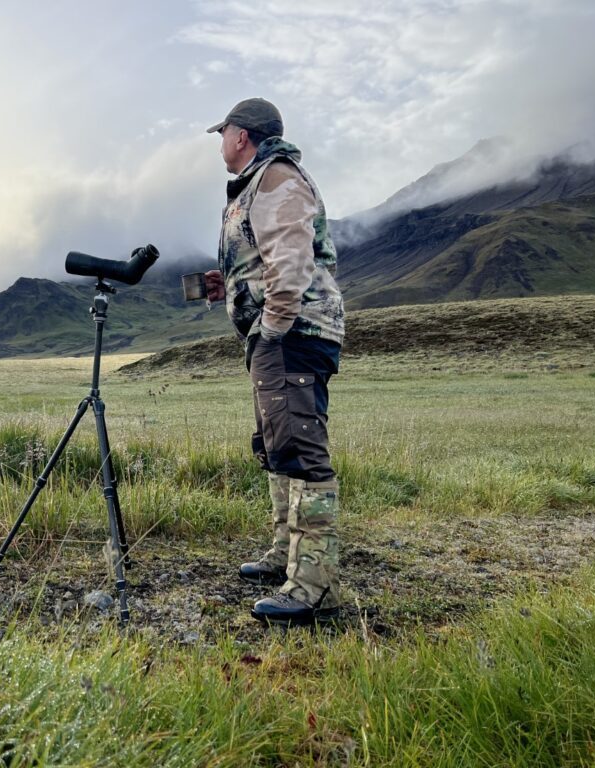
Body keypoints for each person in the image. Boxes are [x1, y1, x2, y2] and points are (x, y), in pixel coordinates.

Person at [204, 98, 345, 626]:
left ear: (241, 136)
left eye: (224, 134)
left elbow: (292, 264)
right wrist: (232, 284)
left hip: (292, 335)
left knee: (302, 451)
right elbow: (268, 259)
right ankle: (286, 554)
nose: (220, 142)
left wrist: (272, 329)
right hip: (277, 335)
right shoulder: (256, 182)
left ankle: (315, 585)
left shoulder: (277, 177)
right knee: (277, 444)